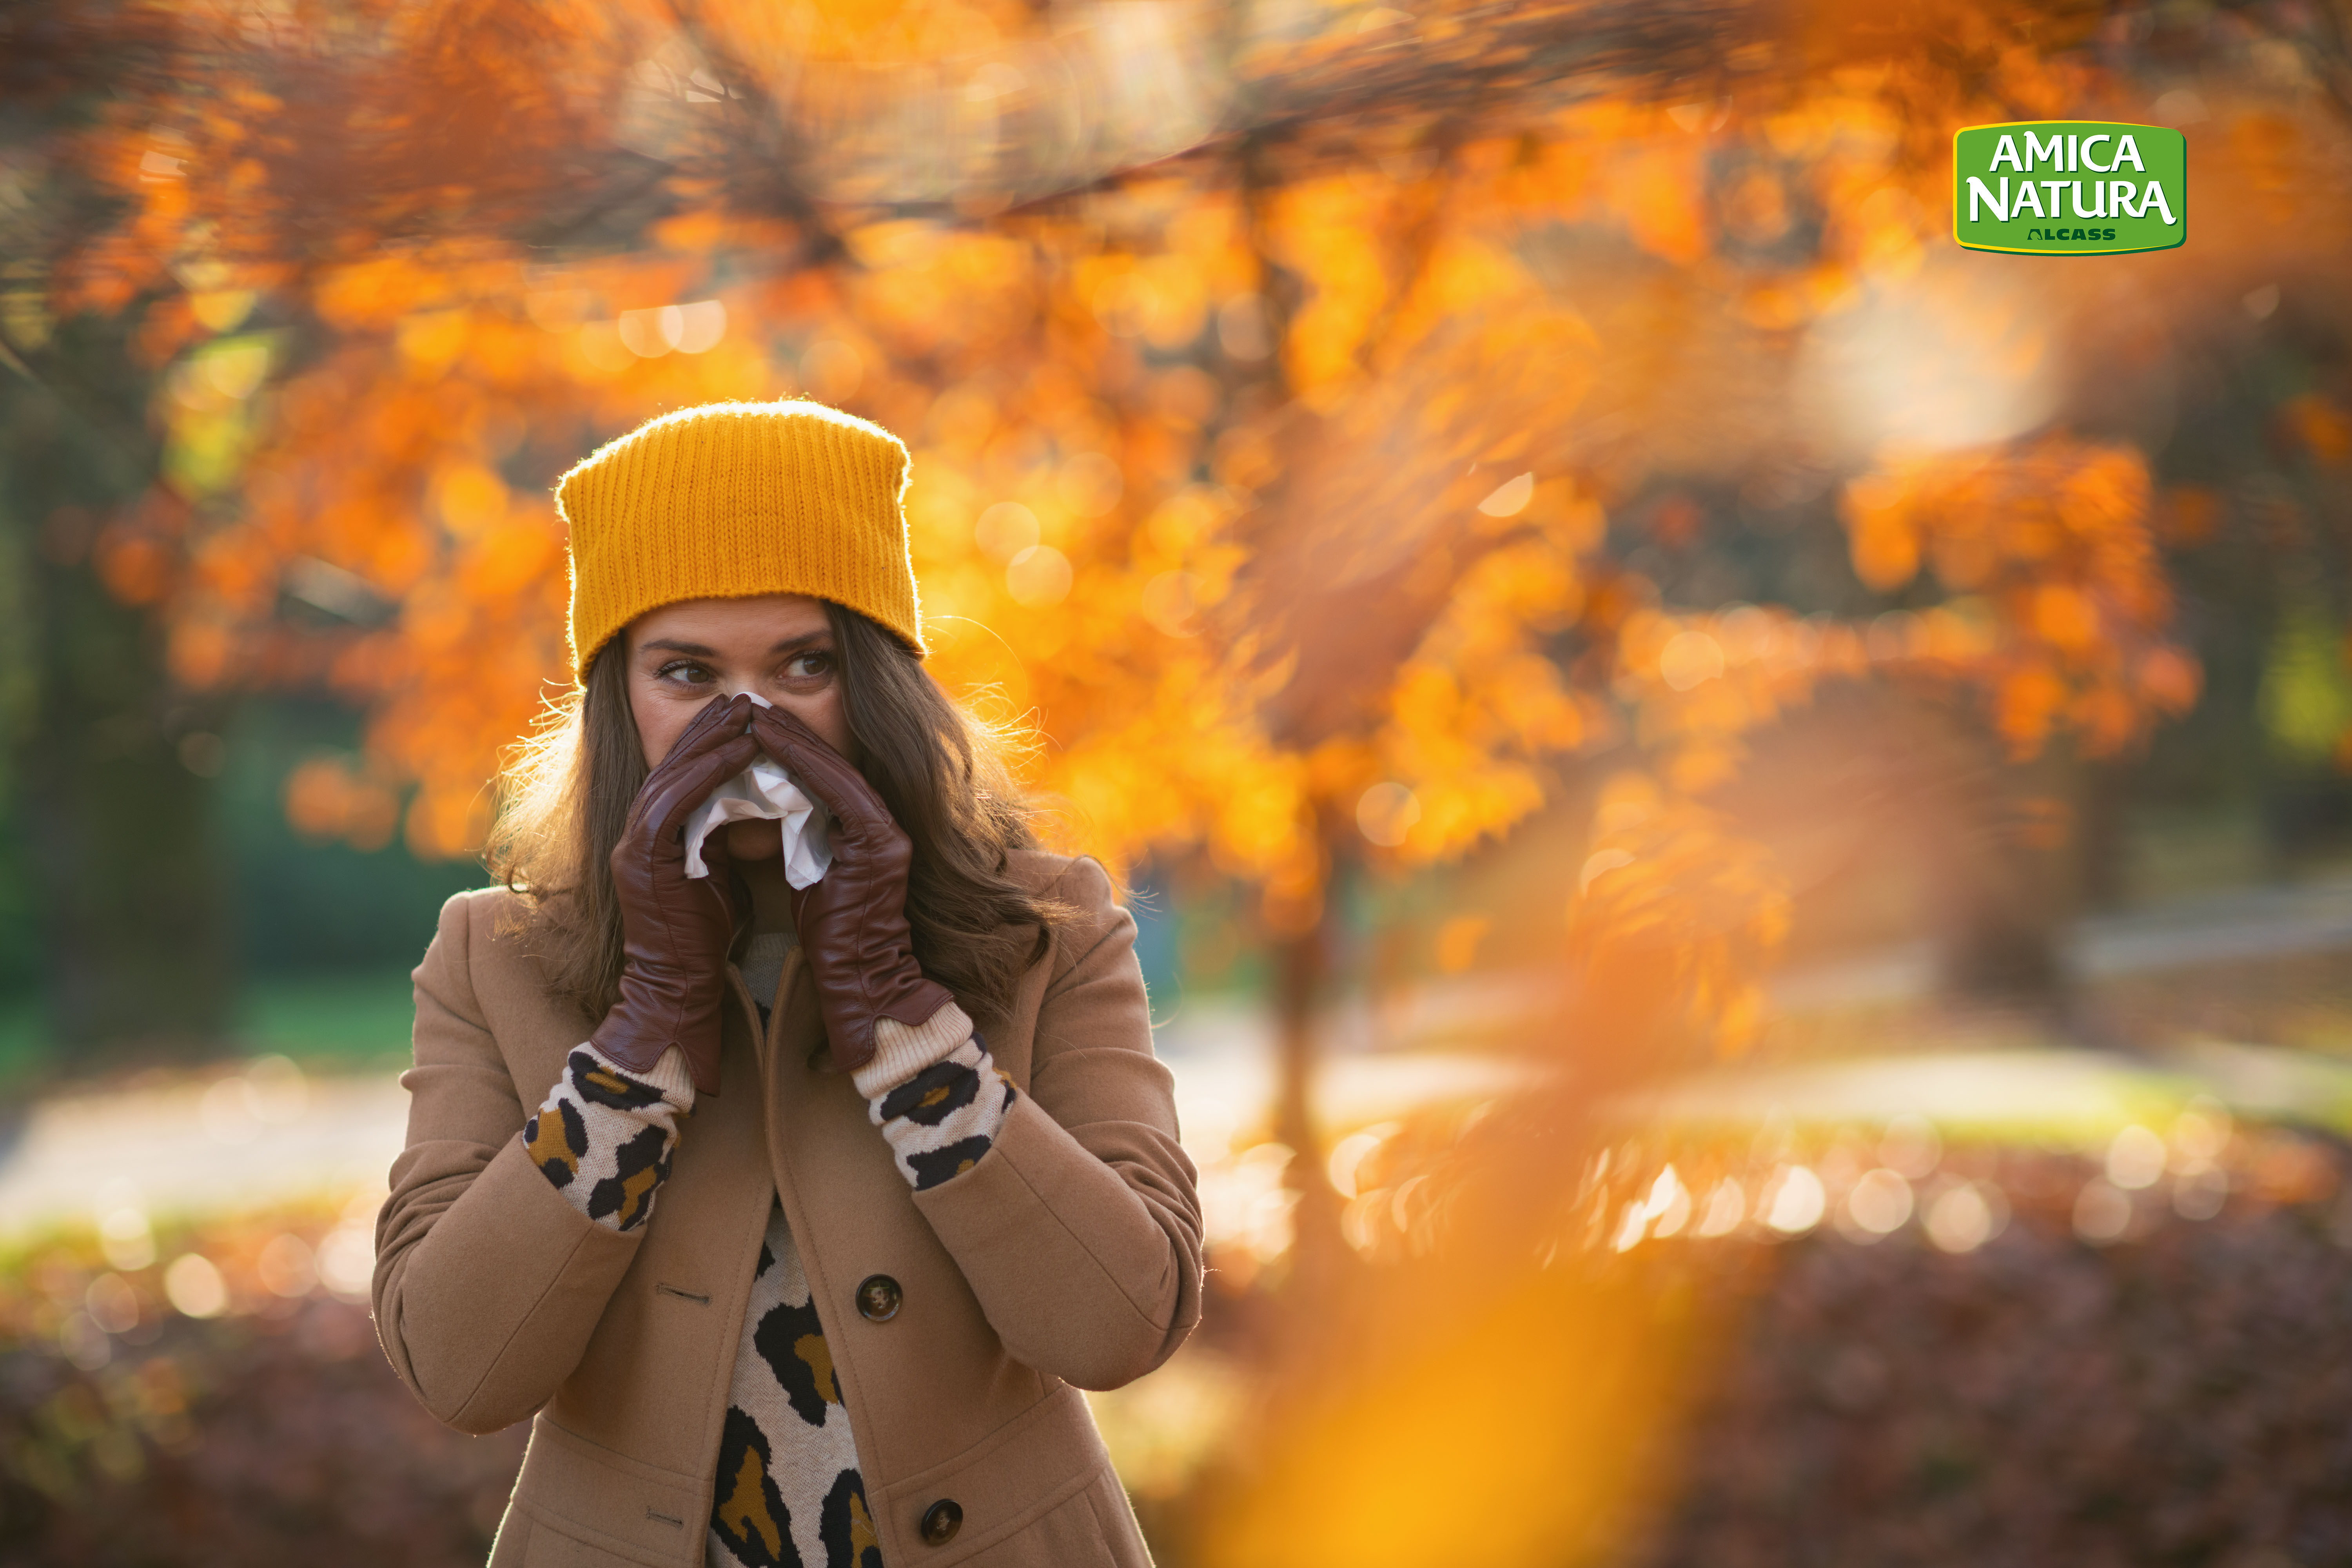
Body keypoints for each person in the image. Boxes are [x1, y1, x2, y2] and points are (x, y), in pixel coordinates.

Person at [372, 401, 1203, 1568]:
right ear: (621, 699)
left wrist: (907, 1027)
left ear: (875, 686)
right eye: (688, 672)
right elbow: (456, 1367)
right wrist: (641, 1037)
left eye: (804, 664)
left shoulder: (1048, 925)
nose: (748, 724)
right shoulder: (492, 959)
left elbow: (1124, 1325)